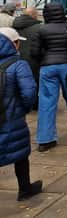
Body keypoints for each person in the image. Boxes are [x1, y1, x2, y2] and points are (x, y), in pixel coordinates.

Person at [31, 3, 67, 152]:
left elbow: (35, 52)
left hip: (47, 66)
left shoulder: (41, 29)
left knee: (46, 102)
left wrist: (45, 58)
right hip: (66, 65)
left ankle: (45, 139)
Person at [0, 27, 42, 201]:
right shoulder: (18, 64)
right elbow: (30, 92)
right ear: (14, 44)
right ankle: (25, 189)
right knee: (20, 154)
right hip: (11, 116)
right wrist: (23, 109)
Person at [12, 7, 42, 109]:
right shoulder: (39, 28)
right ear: (34, 15)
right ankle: (34, 103)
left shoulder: (14, 26)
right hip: (33, 59)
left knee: (17, 80)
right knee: (34, 82)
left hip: (16, 58)